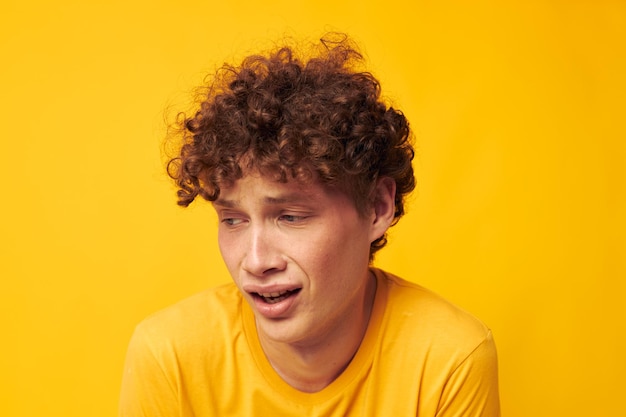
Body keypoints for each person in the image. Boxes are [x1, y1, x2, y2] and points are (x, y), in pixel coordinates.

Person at [119, 34, 501, 416]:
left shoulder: (449, 359)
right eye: (233, 219)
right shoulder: (170, 355)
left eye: (290, 217)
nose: (255, 262)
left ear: (376, 207)